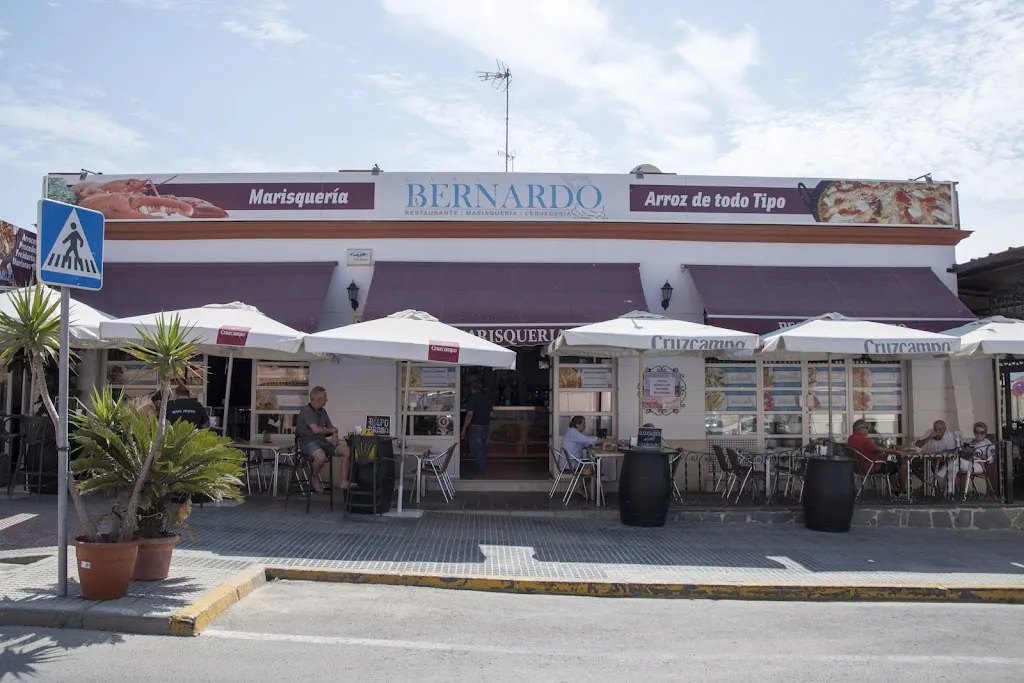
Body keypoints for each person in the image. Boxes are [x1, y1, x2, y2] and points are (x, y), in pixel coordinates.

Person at [296, 386, 351, 493]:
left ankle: (344, 481)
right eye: (325, 397)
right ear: (319, 399)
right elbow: (316, 430)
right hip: (308, 443)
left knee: (346, 450)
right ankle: (314, 476)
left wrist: (334, 432)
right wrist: (332, 430)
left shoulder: (323, 411)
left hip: (322, 442)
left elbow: (330, 427)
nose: (327, 399)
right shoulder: (306, 411)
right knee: (321, 457)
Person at [848, 419, 905, 495]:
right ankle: (903, 490)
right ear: (859, 428)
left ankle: (895, 489)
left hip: (858, 467)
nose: (868, 430)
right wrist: (895, 451)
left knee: (891, 466)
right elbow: (876, 448)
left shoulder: (851, 439)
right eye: (866, 427)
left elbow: (871, 449)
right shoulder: (864, 440)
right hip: (871, 466)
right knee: (897, 466)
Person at [936, 421, 996, 493]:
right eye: (976, 432)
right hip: (966, 462)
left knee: (955, 460)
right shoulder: (970, 442)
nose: (979, 434)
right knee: (954, 467)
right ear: (974, 432)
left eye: (982, 432)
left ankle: (938, 477)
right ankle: (950, 492)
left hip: (977, 465)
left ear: (985, 433)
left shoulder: (988, 444)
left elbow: (990, 460)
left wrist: (980, 456)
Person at [461, 378, 492, 476]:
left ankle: (480, 471)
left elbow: (469, 415)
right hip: (485, 426)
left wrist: (464, 428)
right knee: (481, 449)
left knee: (476, 449)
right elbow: (490, 413)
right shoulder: (487, 397)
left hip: (475, 427)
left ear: (471, 387)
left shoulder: (473, 398)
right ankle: (481, 469)